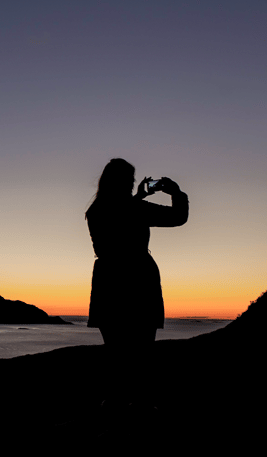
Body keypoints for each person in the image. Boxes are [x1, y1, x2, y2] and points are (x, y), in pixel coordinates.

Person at [85, 158, 189, 411]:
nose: (133, 185)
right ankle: (139, 405)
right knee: (142, 351)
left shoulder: (96, 209)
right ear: (122, 182)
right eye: (130, 181)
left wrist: (139, 197)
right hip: (138, 280)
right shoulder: (133, 209)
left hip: (108, 281)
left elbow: (117, 217)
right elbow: (177, 217)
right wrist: (177, 193)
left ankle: (115, 402)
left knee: (116, 351)